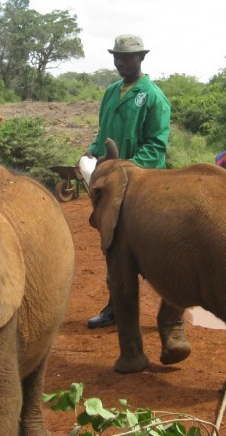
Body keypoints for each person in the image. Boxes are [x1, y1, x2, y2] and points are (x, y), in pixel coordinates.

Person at [84, 34, 171, 328]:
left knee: (152, 249)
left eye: (127, 57)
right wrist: (91, 152)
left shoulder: (154, 97)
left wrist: (126, 167)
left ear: (141, 58)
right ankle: (116, 306)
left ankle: (170, 314)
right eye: (117, 57)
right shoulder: (110, 92)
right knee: (114, 246)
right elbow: (102, 133)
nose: (121, 62)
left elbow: (156, 147)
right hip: (109, 184)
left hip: (142, 185)